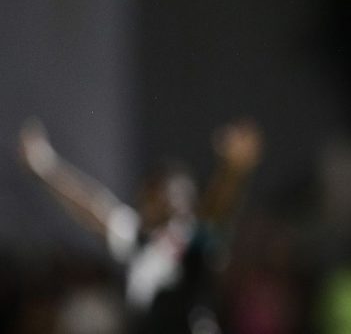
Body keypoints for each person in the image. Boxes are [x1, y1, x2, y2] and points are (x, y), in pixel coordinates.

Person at [19, 117, 264, 333]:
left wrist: (232, 171)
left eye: (172, 197)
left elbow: (216, 212)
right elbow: (93, 208)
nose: (159, 203)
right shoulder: (140, 237)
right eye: (153, 195)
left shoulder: (191, 237)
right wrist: (45, 168)